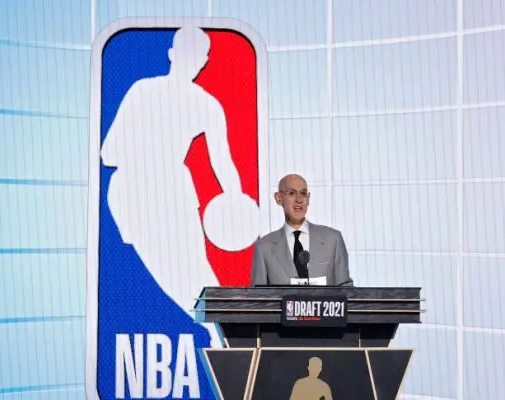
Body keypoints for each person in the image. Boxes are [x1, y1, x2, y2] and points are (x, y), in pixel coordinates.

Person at [102, 26, 259, 348]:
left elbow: (110, 153)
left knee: (189, 272)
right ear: (200, 61)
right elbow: (108, 154)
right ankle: (221, 336)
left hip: (158, 191)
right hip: (145, 193)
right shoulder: (189, 101)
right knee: (182, 273)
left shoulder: (147, 92)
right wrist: (234, 198)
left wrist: (235, 203)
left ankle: (224, 337)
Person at [250, 174, 352, 286]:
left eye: (303, 194)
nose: (299, 200)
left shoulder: (333, 240)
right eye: (292, 193)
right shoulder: (264, 247)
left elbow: (346, 293)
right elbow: (259, 299)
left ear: (308, 199)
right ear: (279, 198)